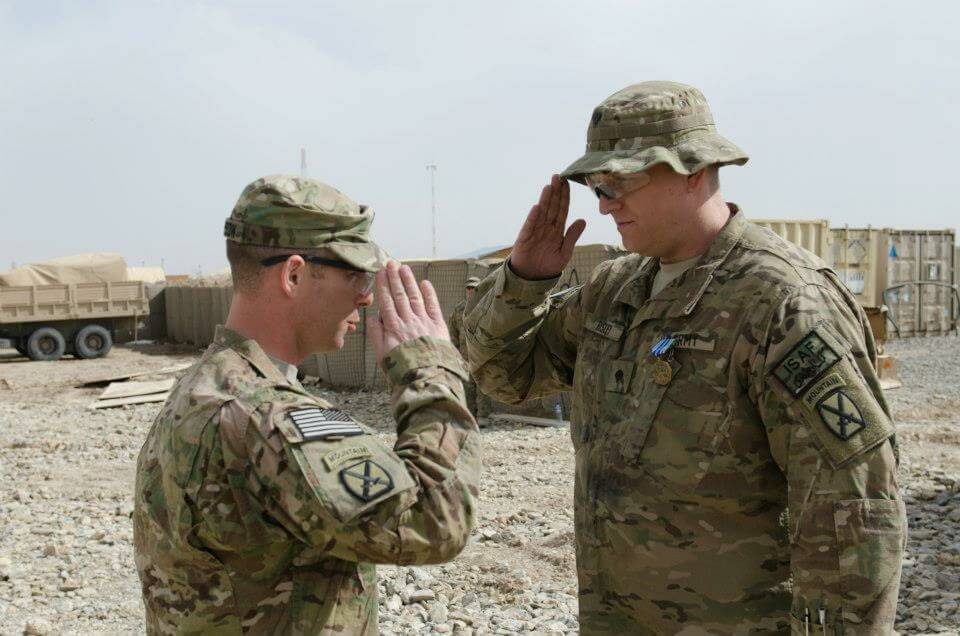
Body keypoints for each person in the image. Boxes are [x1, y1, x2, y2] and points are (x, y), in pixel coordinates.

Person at [463, 81, 906, 634]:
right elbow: (504, 377)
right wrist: (525, 281)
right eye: (597, 186)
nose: (604, 203)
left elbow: (854, 509)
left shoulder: (782, 303)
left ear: (694, 169)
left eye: (621, 180)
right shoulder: (616, 289)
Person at [133, 175, 481, 634]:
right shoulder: (266, 414)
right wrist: (431, 371)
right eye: (354, 273)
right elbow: (434, 521)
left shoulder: (207, 384)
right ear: (294, 275)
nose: (366, 294)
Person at [447, 276, 487, 419]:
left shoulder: (486, 307)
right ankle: (470, 416)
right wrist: (454, 353)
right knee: (467, 387)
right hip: (465, 356)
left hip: (482, 354)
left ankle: (483, 416)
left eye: (474, 288)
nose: (471, 291)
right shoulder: (459, 310)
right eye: (469, 288)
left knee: (483, 386)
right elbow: (453, 333)